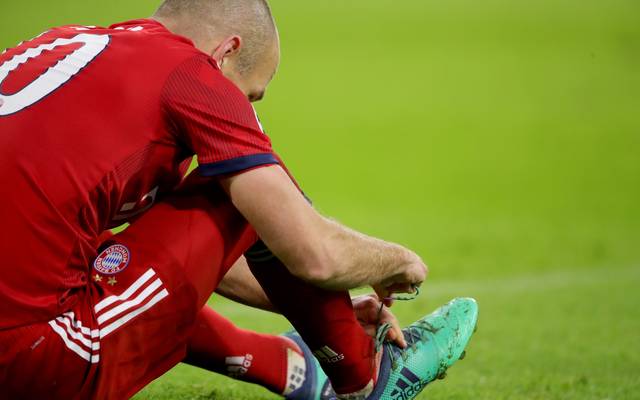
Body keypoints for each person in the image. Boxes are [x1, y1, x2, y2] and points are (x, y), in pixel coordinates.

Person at [0, 1, 478, 399]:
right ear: (226, 52)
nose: (245, 110)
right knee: (245, 186)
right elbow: (313, 253)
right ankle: (367, 379)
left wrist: (319, 313)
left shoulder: (63, 47)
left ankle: (289, 365)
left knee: (90, 250)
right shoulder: (192, 75)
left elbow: (188, 259)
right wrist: (399, 261)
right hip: (34, 361)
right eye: (251, 96)